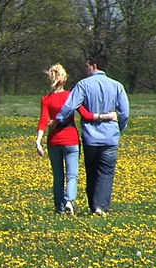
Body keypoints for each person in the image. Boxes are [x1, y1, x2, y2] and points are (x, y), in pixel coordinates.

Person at [54, 54, 129, 216]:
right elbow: (124, 112)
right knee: (107, 172)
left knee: (92, 170)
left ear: (94, 66)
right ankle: (101, 206)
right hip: (110, 136)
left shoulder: (83, 85)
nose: (86, 69)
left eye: (87, 66)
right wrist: (120, 128)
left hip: (91, 136)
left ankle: (94, 205)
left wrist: (58, 120)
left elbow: (70, 105)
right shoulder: (117, 86)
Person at [36, 63, 115, 215]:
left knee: (58, 177)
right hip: (71, 139)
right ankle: (69, 201)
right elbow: (85, 115)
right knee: (72, 175)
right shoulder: (71, 96)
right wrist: (107, 116)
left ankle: (59, 209)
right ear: (64, 79)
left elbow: (43, 120)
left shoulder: (46, 99)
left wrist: (38, 141)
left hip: (53, 141)